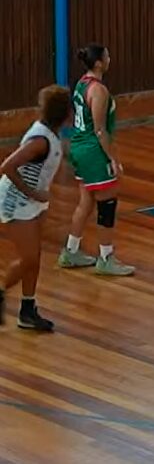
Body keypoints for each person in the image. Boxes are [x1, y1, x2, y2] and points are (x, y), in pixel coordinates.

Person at [0, 85, 73, 331]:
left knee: (34, 259)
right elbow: (7, 166)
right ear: (65, 114)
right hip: (16, 201)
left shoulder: (50, 135)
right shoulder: (40, 141)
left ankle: (27, 311)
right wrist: (31, 192)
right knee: (29, 258)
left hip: (34, 200)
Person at [59, 44, 134, 276]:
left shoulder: (81, 84)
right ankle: (105, 257)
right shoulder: (99, 90)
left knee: (86, 201)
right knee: (107, 204)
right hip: (93, 151)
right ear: (99, 63)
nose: (110, 58)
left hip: (79, 146)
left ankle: (70, 251)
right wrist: (113, 158)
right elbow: (100, 130)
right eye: (107, 55)